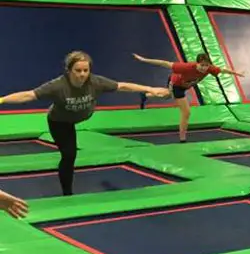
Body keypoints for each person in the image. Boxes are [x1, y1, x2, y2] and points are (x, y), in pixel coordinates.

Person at [0, 52, 170, 195]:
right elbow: (28, 95)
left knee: (70, 153)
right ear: (69, 71)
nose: (82, 74)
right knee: (69, 154)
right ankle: (67, 193)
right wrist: (2, 100)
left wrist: (150, 89)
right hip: (60, 122)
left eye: (85, 70)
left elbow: (123, 86)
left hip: (81, 117)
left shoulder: (95, 82)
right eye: (78, 70)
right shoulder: (57, 86)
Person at [133, 52, 245, 142]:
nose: (204, 68)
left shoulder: (210, 68)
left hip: (184, 86)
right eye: (202, 65)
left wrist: (237, 73)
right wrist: (144, 60)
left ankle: (145, 95)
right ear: (197, 63)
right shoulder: (186, 67)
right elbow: (164, 63)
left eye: (206, 66)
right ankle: (182, 138)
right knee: (186, 112)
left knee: (166, 96)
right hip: (176, 84)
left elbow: (222, 70)